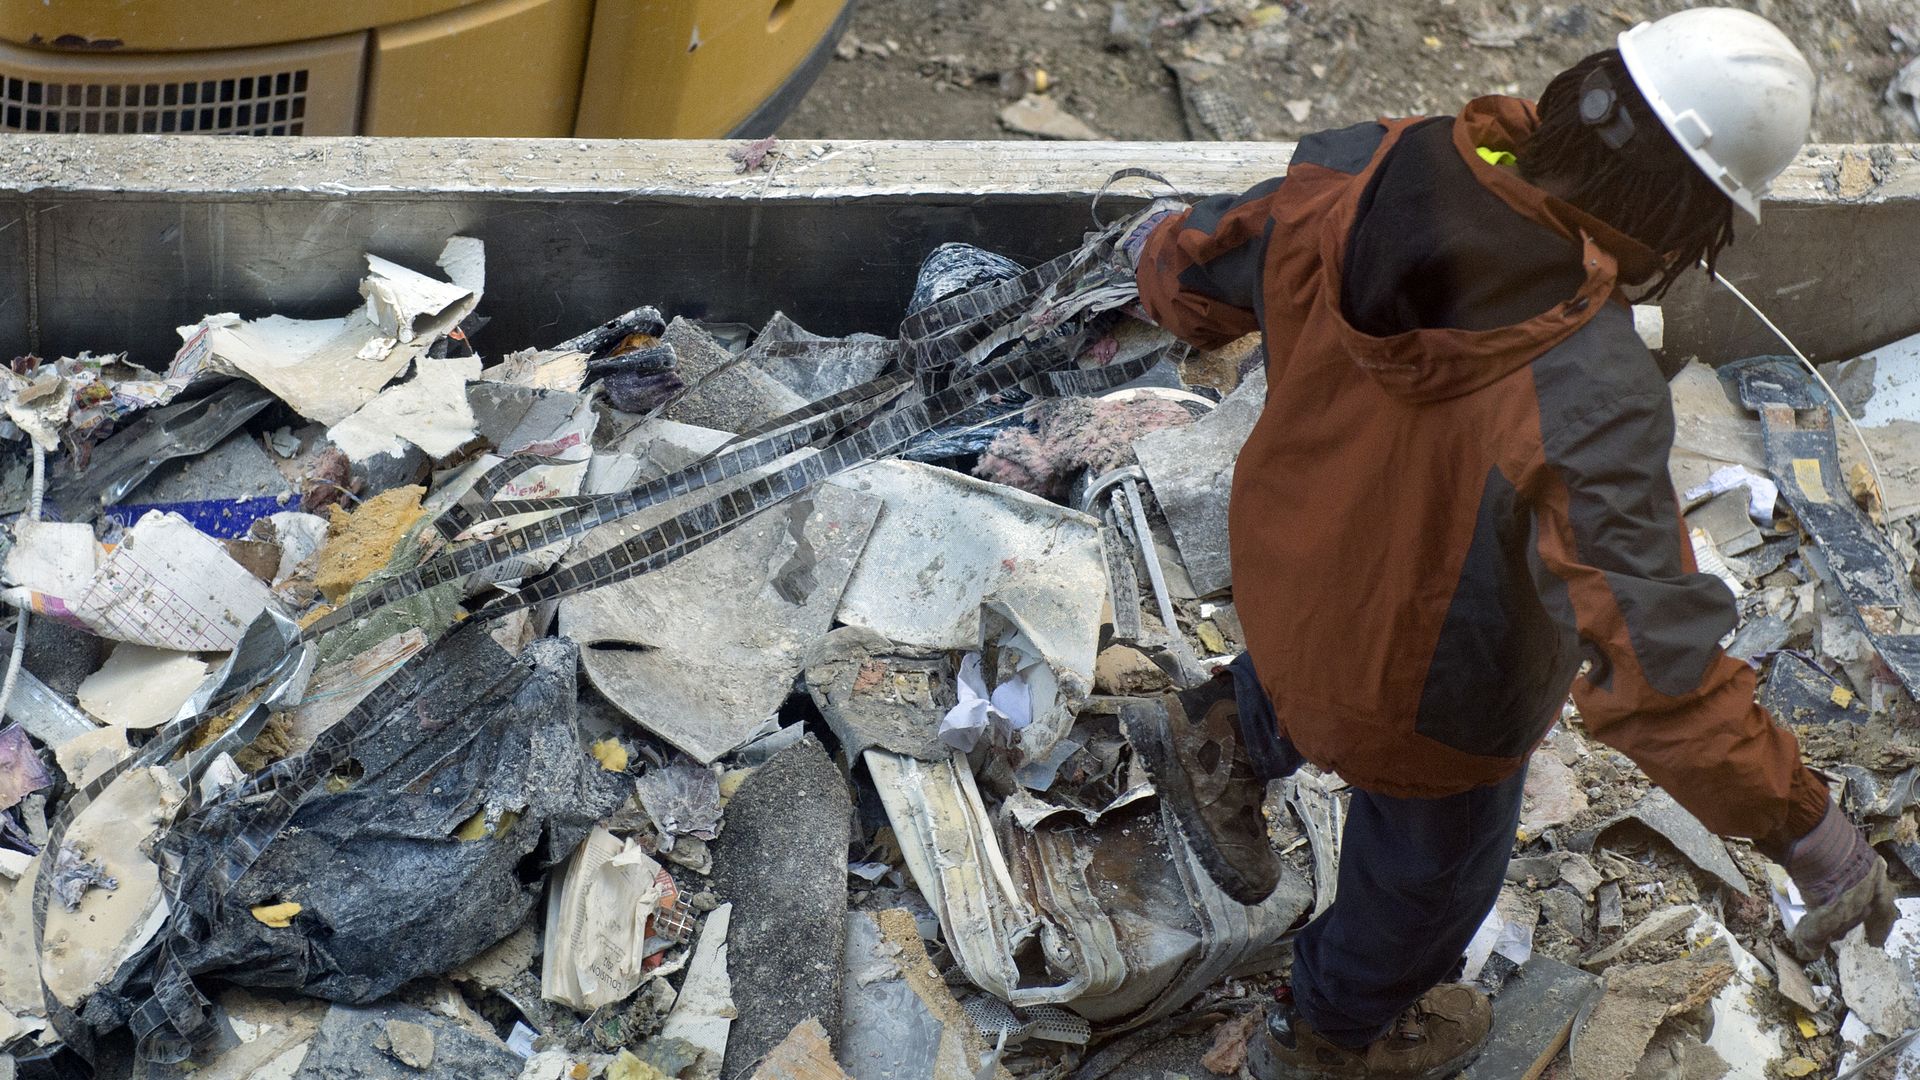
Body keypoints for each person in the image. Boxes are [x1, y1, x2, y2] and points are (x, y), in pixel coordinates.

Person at [1116, 8, 1899, 1078]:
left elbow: (1194, 272)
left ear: (1585, 94)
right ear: (1690, 212)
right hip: (1437, 708)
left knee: (1313, 670)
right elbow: (1656, 676)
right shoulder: (1587, 392)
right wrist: (1807, 829)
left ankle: (1225, 732)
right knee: (1426, 890)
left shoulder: (1365, 168)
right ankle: (1329, 1037)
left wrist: (1151, 255)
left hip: (1289, 581)